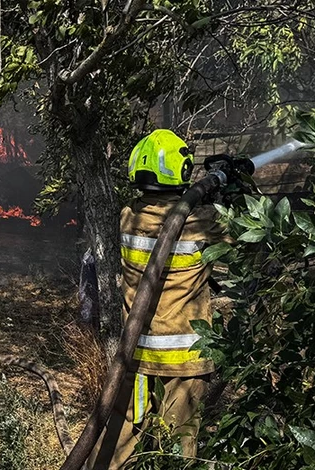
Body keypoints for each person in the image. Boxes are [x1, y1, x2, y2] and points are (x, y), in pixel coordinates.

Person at [86, 129, 230, 469]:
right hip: (182, 360)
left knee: (118, 434)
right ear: (180, 171)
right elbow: (250, 237)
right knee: (179, 442)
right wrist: (226, 189)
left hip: (135, 355)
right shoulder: (203, 222)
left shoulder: (129, 217)